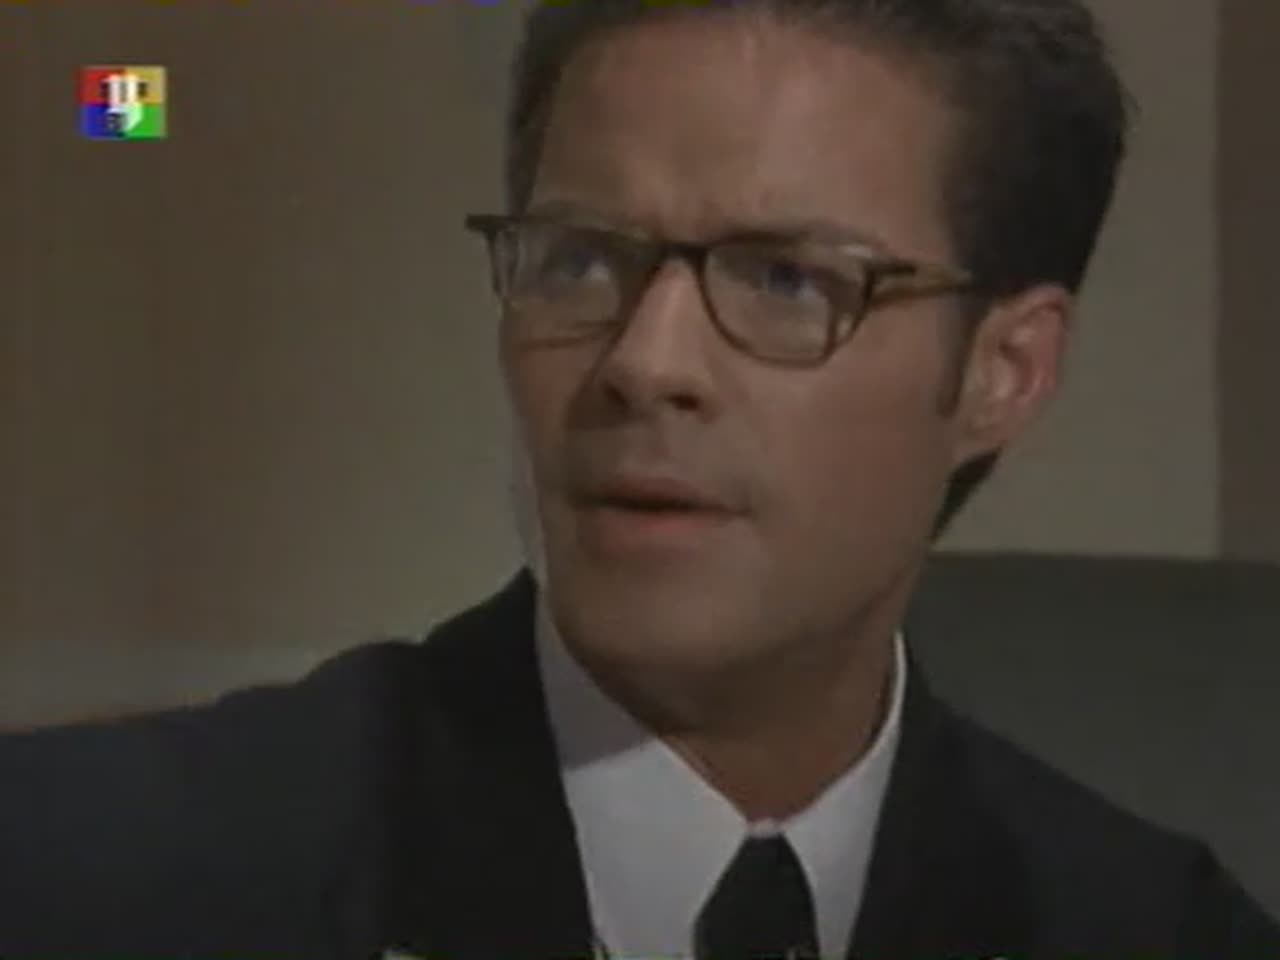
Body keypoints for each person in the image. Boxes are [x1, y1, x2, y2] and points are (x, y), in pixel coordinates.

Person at [3, 0, 1278, 956]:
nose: (641, 363)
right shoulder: (86, 879)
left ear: (1004, 370)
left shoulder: (1161, 931)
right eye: (577, 258)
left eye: (786, 279)